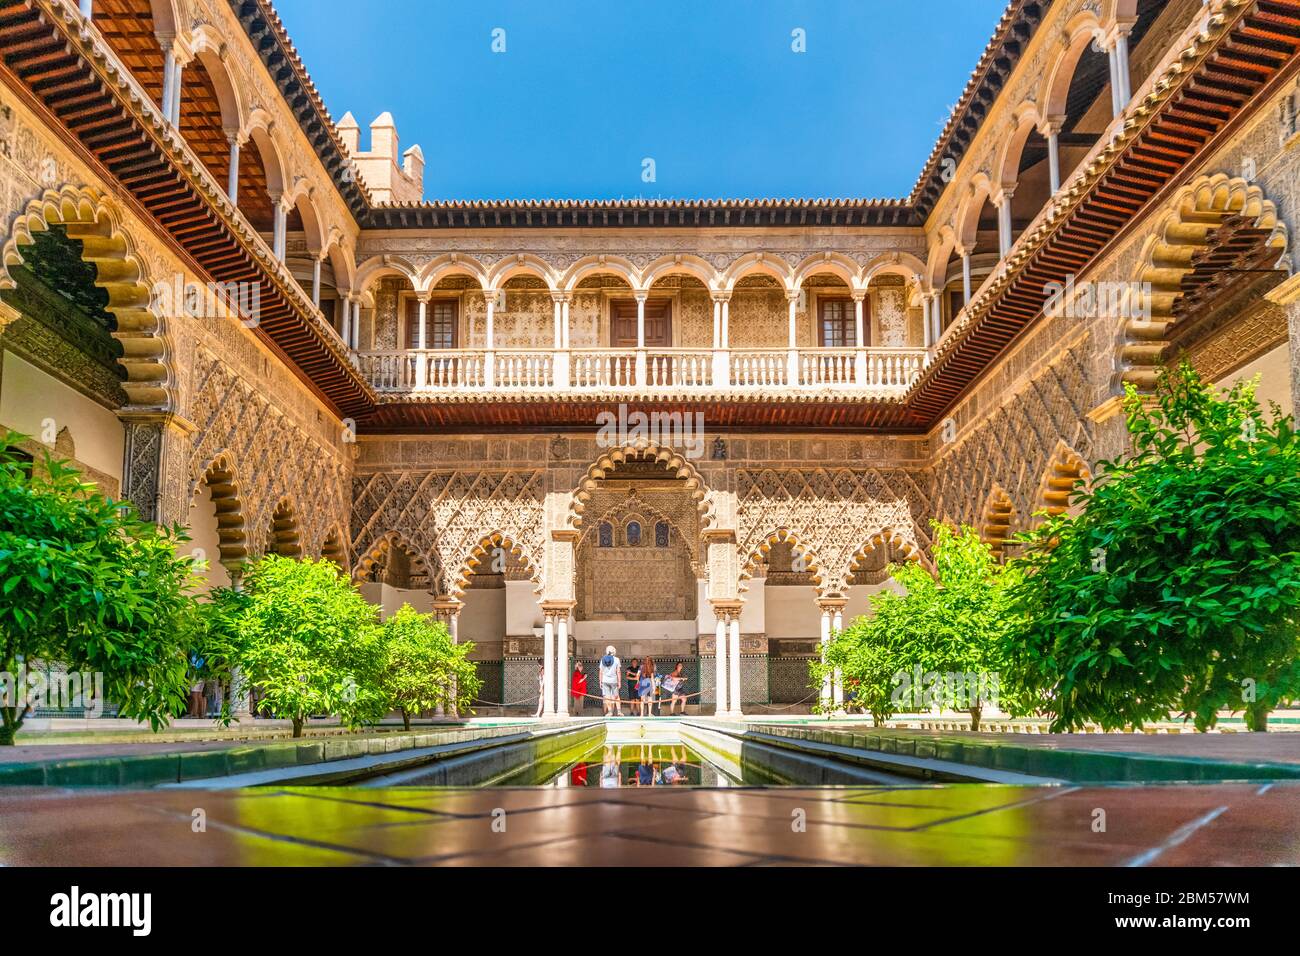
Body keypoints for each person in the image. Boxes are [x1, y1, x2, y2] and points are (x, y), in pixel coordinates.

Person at [598, 646, 622, 717]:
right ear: (614, 651)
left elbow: (601, 672)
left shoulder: (603, 659)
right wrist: (619, 681)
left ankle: (610, 712)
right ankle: (619, 712)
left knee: (607, 697)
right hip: (614, 680)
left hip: (605, 680)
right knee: (616, 696)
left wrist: (600, 681)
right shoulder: (617, 659)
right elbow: (618, 671)